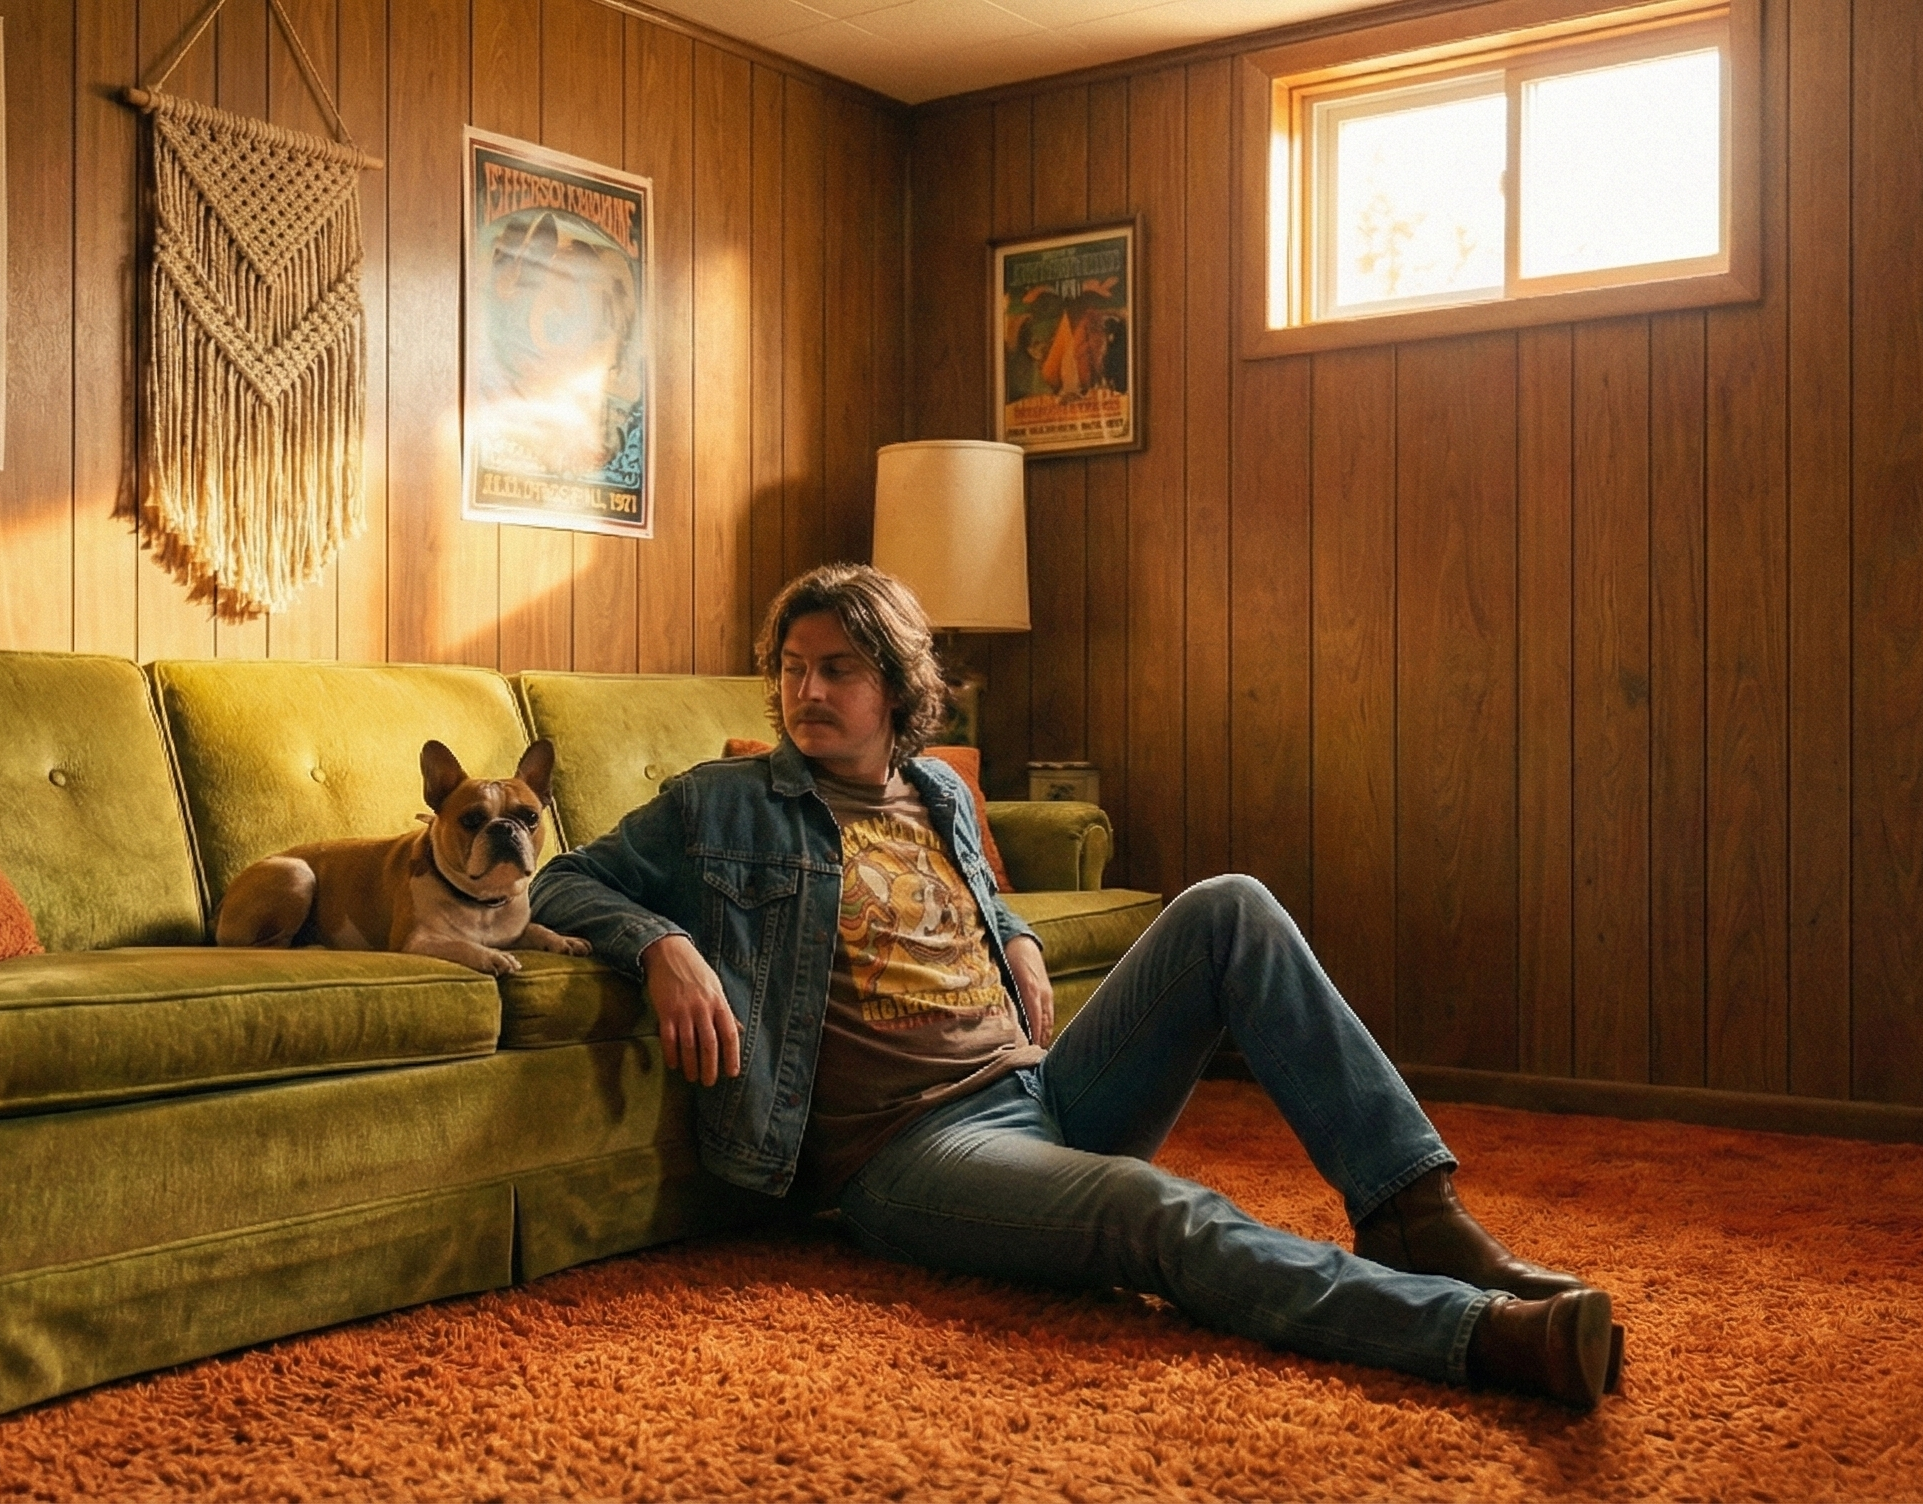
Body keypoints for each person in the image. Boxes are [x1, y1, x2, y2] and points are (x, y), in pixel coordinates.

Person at [530, 563, 1621, 1409]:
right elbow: (564, 880)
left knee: (1227, 903)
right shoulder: (723, 803)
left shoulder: (937, 794)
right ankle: (1466, 1331)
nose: (806, 691)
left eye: (838, 669)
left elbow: (958, 896)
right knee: (1153, 1209)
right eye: (794, 668)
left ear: (900, 687)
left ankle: (1412, 1213)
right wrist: (661, 943)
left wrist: (1015, 933)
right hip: (910, 1152)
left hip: (1046, 1089)